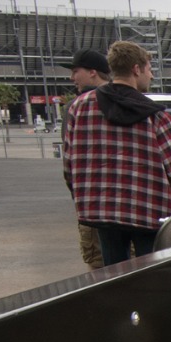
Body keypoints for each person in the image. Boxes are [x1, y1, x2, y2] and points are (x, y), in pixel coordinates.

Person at [62, 41, 171, 266]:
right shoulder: (157, 117)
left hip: (101, 210)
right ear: (136, 69)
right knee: (149, 273)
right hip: (149, 211)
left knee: (113, 274)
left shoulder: (79, 108)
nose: (151, 76)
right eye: (149, 70)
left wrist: (84, 196)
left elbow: (69, 165)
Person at [59, 49, 112, 269]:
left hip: (93, 207)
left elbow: (69, 163)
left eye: (75, 71)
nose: (72, 78)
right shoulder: (132, 101)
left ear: (93, 73)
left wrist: (79, 197)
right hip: (132, 208)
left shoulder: (77, 107)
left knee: (100, 270)